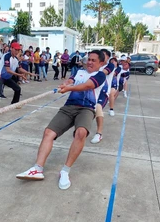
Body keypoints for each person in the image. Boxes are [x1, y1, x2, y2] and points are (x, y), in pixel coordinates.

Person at [16, 50, 106, 190]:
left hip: (86, 108)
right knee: (48, 133)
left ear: (101, 63)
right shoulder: (79, 72)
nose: (89, 62)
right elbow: (71, 80)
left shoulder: (100, 75)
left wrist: (69, 88)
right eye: (89, 59)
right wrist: (66, 83)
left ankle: (65, 171)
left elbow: (88, 86)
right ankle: (37, 169)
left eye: (94, 60)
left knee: (81, 133)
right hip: (69, 106)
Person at [0, 42, 35, 115]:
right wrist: (19, 74)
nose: (17, 51)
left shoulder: (16, 59)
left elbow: (20, 68)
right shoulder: (7, 56)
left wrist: (29, 73)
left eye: (18, 50)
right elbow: (8, 70)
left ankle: (14, 104)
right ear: (11, 48)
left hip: (7, 78)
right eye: (15, 49)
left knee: (18, 89)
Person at [91, 49, 115, 144]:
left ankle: (99, 133)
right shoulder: (96, 65)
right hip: (93, 92)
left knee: (98, 107)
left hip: (103, 93)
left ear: (108, 57)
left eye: (103, 55)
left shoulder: (110, 65)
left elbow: (103, 73)